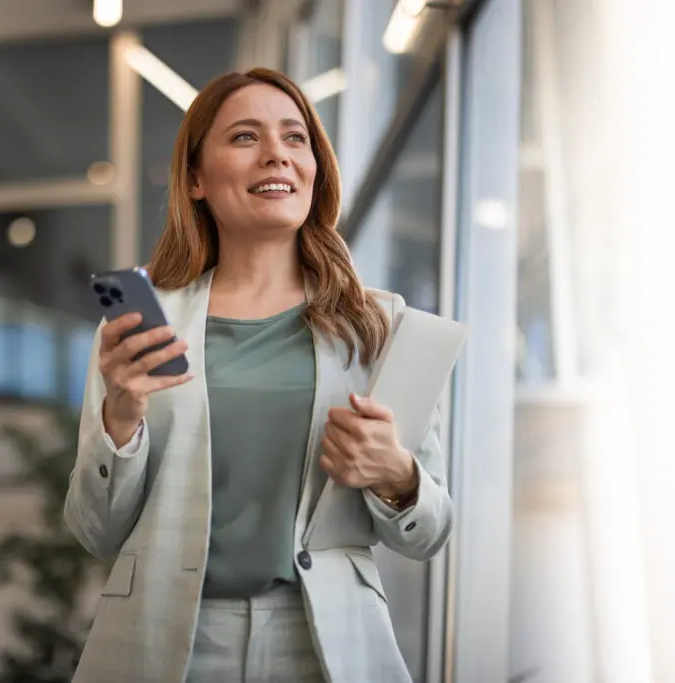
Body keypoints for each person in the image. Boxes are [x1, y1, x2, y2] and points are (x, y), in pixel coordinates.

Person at [63, 67, 454, 683]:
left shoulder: (380, 326)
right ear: (195, 178)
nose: (276, 153)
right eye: (245, 137)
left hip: (326, 639)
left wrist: (397, 476)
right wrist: (120, 418)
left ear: (315, 168)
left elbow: (428, 533)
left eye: (295, 138)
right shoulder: (143, 324)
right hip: (166, 642)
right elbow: (95, 530)